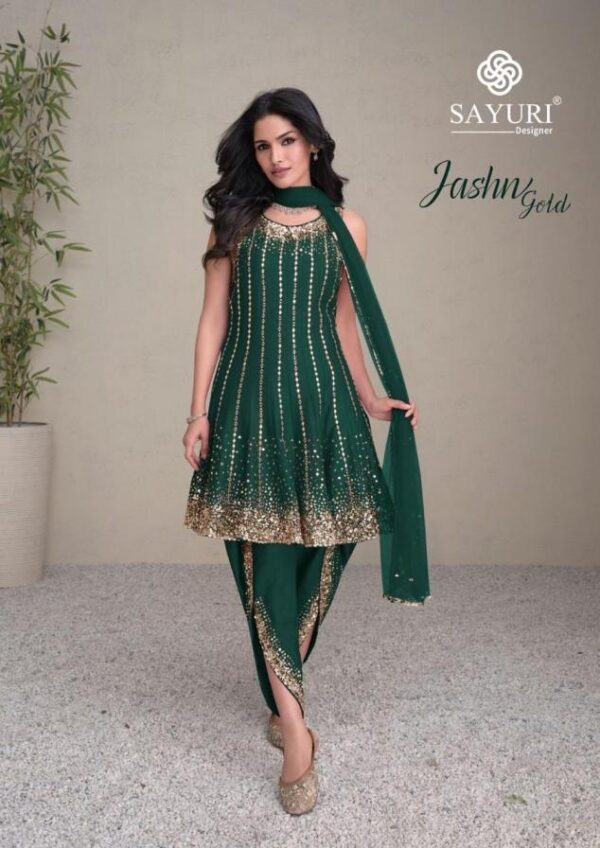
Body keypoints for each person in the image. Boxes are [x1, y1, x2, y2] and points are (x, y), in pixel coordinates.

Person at [182, 87, 427, 815]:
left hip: (324, 407)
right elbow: (212, 321)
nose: (275, 156)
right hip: (249, 407)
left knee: (326, 550)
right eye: (263, 145)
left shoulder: (347, 226)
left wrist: (372, 399)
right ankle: (296, 733)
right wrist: (197, 410)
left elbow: (346, 324)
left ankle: (279, 689)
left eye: (287, 141)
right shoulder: (237, 222)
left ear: (313, 143)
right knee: (262, 559)